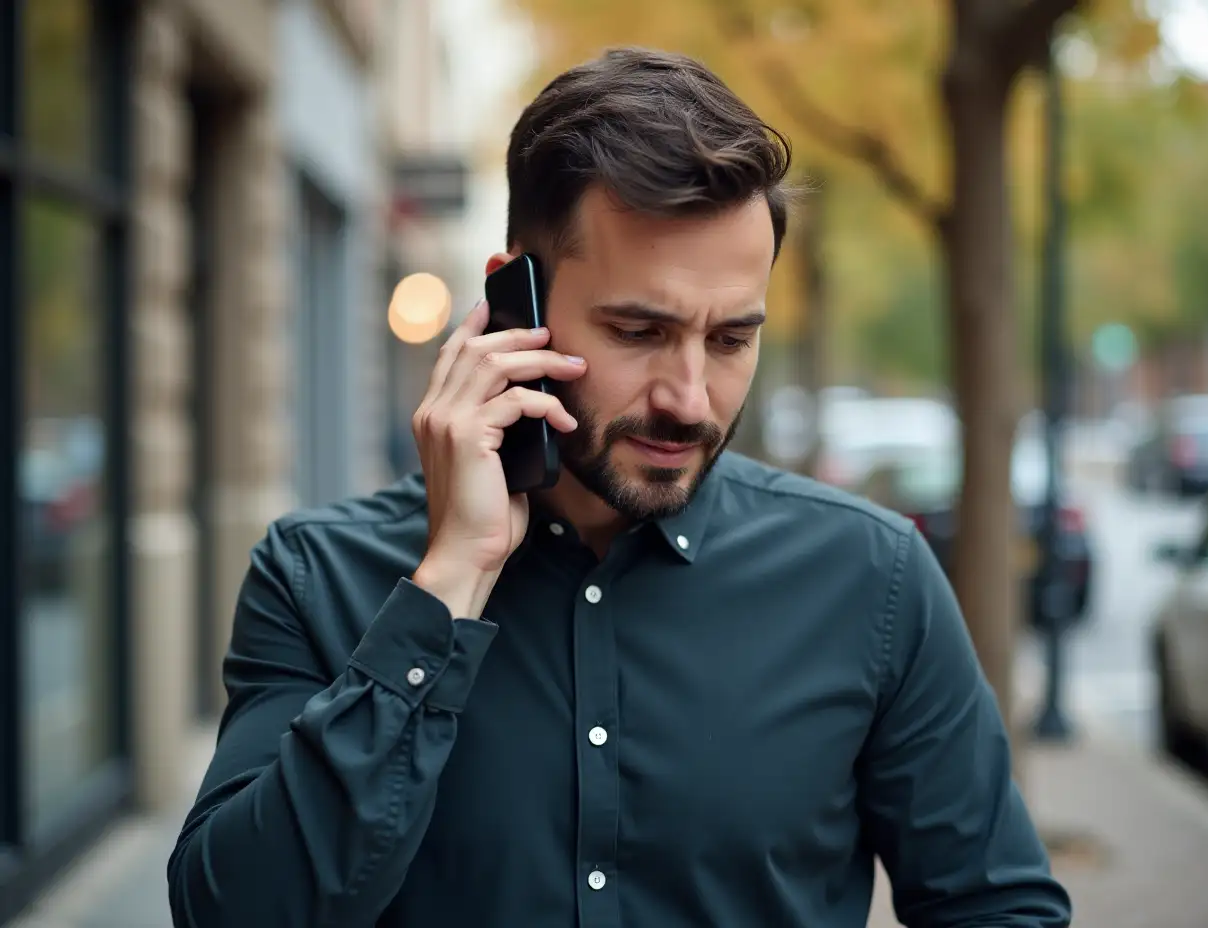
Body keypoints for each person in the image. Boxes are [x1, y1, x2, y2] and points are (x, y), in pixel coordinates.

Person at [168, 46, 1071, 928]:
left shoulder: (874, 580)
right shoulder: (316, 575)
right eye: (638, 331)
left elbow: (996, 904)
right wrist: (445, 589)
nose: (689, 400)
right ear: (513, 301)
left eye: (729, 340)